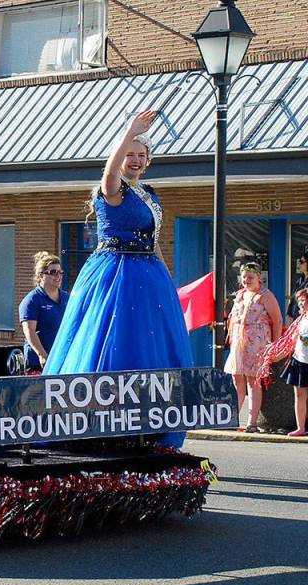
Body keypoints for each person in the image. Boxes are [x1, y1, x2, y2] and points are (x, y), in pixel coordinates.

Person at [43, 111, 192, 448]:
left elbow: (153, 244)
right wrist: (129, 133)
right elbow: (110, 173)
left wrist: (168, 283)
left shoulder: (149, 195)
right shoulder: (111, 189)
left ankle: (147, 421)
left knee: (151, 343)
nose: (135, 160)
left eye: (141, 155)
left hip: (149, 274)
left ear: (149, 160)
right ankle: (97, 422)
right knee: (110, 338)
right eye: (129, 155)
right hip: (115, 274)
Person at [225, 262, 282, 433]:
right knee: (237, 378)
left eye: (250, 277)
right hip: (239, 341)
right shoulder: (240, 295)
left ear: (259, 278)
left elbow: (277, 320)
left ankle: (252, 422)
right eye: (244, 277)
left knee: (253, 380)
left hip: (257, 343)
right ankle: (232, 419)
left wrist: (275, 344)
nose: (246, 280)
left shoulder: (265, 296)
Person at [19, 251, 70, 371]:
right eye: (53, 272)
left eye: (60, 272)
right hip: (40, 363)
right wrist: (42, 355)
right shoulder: (32, 300)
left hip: (63, 359)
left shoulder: (67, 298)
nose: (58, 276)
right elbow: (29, 331)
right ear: (41, 276)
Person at [275, 289, 308, 436]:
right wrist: (272, 357)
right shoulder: (300, 320)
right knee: (299, 395)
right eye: (299, 300)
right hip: (300, 360)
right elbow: (291, 342)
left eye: (304, 300)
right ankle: (300, 428)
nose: (301, 303)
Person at [288, 251, 308, 321]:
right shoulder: (299, 280)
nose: (299, 264)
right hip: (296, 318)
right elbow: (294, 297)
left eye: (302, 262)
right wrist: (290, 313)